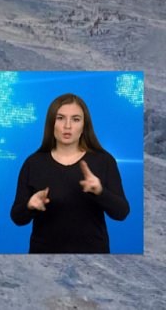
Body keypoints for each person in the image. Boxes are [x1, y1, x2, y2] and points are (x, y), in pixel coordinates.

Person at [10, 93, 130, 253]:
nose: (67, 126)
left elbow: (122, 213)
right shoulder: (33, 163)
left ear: (84, 125)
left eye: (75, 119)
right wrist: (30, 206)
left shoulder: (104, 161)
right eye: (60, 118)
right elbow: (17, 217)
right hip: (43, 259)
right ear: (51, 123)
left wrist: (100, 192)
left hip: (94, 258)